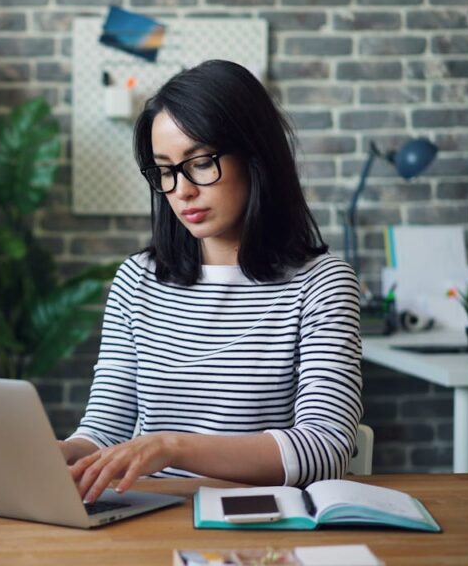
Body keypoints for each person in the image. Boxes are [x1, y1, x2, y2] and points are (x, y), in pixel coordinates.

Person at [59, 60, 362, 504]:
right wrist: (59, 454)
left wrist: (171, 446)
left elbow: (326, 448)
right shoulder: (137, 280)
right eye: (165, 170)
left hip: (261, 522)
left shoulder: (321, 284)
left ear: (255, 157)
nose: (181, 190)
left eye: (200, 163)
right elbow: (105, 430)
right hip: (146, 518)